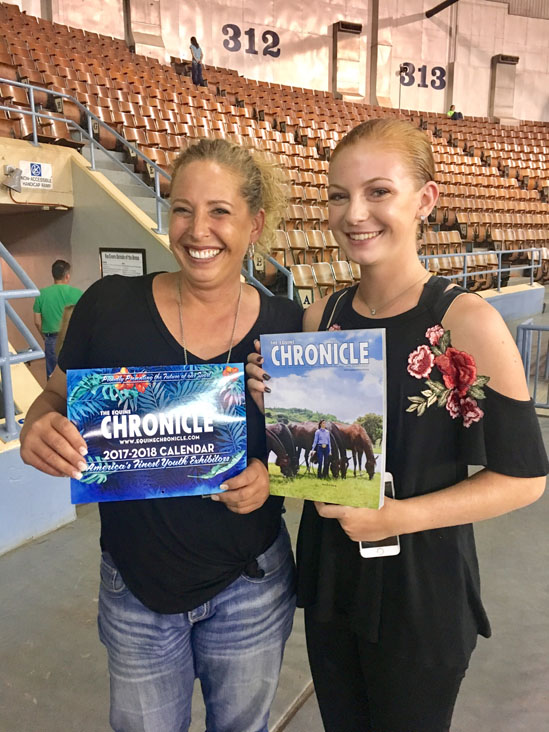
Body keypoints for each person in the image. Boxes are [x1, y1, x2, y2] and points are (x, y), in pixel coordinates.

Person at [247, 118, 548, 732]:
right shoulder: (319, 318)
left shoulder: (465, 323)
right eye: (338, 195)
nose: (354, 213)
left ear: (426, 200)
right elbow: (315, 463)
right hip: (335, 582)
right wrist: (272, 404)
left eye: (378, 191)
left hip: (421, 591)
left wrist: (397, 516)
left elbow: (524, 478)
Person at [19, 138, 303, 732]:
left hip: (249, 585)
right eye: (182, 208)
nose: (198, 230)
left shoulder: (286, 327)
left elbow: (309, 448)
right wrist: (37, 425)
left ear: (255, 224)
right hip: (136, 591)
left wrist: (270, 477)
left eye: (221, 211)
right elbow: (52, 397)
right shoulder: (109, 305)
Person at [33, 260, 82, 378]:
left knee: (53, 376)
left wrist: (44, 337)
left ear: (53, 275)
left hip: (51, 340)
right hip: (72, 339)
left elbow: (37, 322)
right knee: (72, 376)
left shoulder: (42, 294)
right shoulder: (77, 293)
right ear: (67, 276)